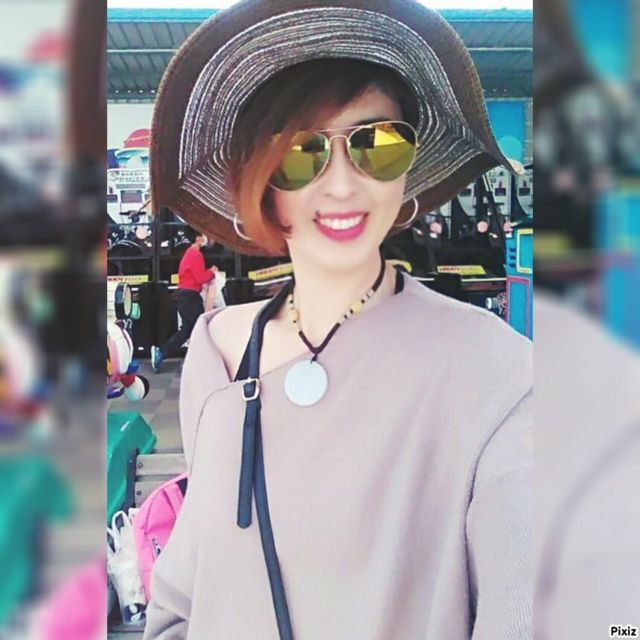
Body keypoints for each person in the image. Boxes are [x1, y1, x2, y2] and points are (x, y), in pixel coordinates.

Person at [144, 1, 532, 638]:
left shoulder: (499, 375)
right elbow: (187, 592)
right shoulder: (216, 353)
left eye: (378, 146)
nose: (344, 186)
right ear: (260, 179)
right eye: (302, 154)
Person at [150, 233, 215, 373]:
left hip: (186, 296)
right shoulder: (196, 254)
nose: (211, 240)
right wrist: (212, 272)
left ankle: (166, 353)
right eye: (208, 236)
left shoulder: (189, 254)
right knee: (196, 327)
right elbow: (200, 278)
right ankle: (162, 352)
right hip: (190, 296)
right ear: (198, 238)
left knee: (191, 328)